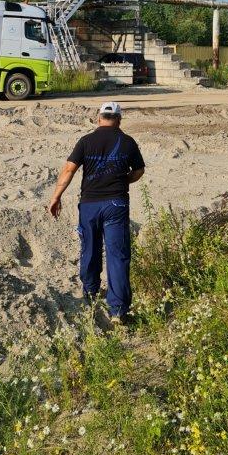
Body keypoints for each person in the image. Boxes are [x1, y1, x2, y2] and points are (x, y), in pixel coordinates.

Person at [48, 101, 145, 322]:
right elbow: (139, 170)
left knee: (90, 249)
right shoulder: (128, 142)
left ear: (98, 118)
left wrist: (56, 197)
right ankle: (118, 310)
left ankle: (90, 292)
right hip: (116, 205)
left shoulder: (86, 141)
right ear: (119, 120)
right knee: (117, 255)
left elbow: (69, 169)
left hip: (89, 205)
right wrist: (123, 181)